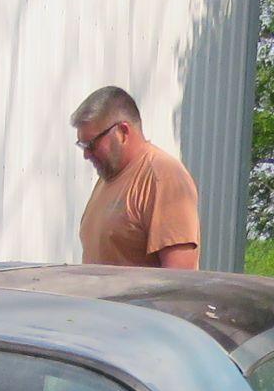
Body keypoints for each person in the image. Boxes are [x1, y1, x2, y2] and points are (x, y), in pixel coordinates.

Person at [72, 86, 200, 269]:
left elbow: (180, 279)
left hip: (133, 299)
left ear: (123, 131)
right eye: (82, 145)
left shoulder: (163, 177)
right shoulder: (107, 177)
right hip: (97, 298)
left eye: (91, 144)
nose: (86, 154)